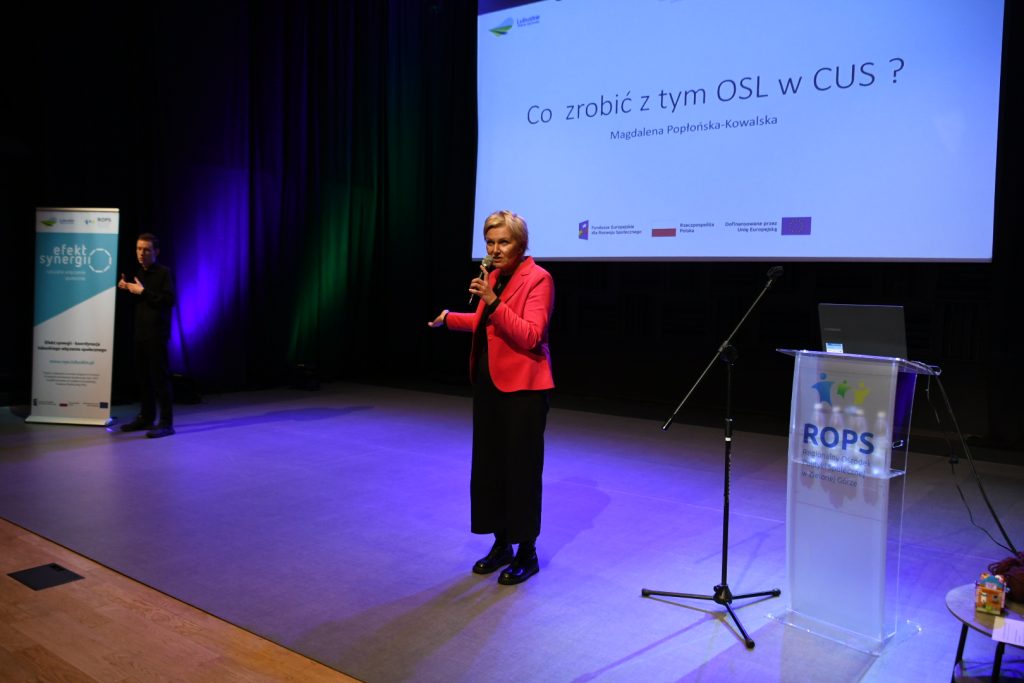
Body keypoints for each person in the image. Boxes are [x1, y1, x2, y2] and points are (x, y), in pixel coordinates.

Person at [428, 210, 554, 585]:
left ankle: (526, 552)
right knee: (490, 468)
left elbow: (530, 335)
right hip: (489, 385)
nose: (495, 250)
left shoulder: (539, 278)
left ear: (521, 244)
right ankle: (501, 545)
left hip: (524, 390)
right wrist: (449, 318)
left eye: (504, 242)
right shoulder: (494, 277)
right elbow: (486, 323)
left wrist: (494, 301)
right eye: (490, 242)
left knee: (521, 471)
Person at [118, 233, 176, 438]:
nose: (141, 253)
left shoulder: (164, 273)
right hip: (140, 333)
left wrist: (142, 292)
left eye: (146, 250)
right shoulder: (138, 273)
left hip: (156, 334)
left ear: (156, 252)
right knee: (143, 379)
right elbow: (139, 303)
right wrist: (126, 289)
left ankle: (166, 423)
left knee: (160, 379)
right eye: (138, 249)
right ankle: (146, 417)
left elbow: (168, 300)